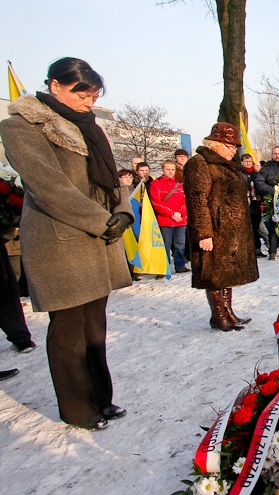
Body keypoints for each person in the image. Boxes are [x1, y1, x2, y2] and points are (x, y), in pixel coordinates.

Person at [0, 57, 133, 430]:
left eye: (94, 96)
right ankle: (77, 408)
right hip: (61, 241)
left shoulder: (90, 127)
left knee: (94, 327)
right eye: (82, 94)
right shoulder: (22, 126)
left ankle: (101, 398)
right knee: (69, 330)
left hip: (99, 238)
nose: (89, 103)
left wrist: (123, 212)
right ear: (54, 85)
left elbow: (113, 177)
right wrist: (100, 220)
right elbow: (48, 186)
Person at [184, 122, 259, 331]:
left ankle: (228, 313)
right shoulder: (200, 164)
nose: (233, 150)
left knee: (227, 274)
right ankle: (218, 316)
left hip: (230, 233)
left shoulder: (228, 165)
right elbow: (197, 200)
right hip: (214, 231)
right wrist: (204, 233)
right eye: (229, 146)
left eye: (234, 147)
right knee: (214, 275)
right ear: (214, 144)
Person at [150, 160, 188, 273]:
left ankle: (180, 266)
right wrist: (171, 214)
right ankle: (164, 268)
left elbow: (186, 201)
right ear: (163, 169)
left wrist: (180, 213)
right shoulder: (156, 184)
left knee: (180, 245)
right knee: (165, 246)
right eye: (168, 169)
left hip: (180, 220)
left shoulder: (180, 184)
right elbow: (156, 203)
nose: (170, 172)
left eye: (172, 169)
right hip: (165, 220)